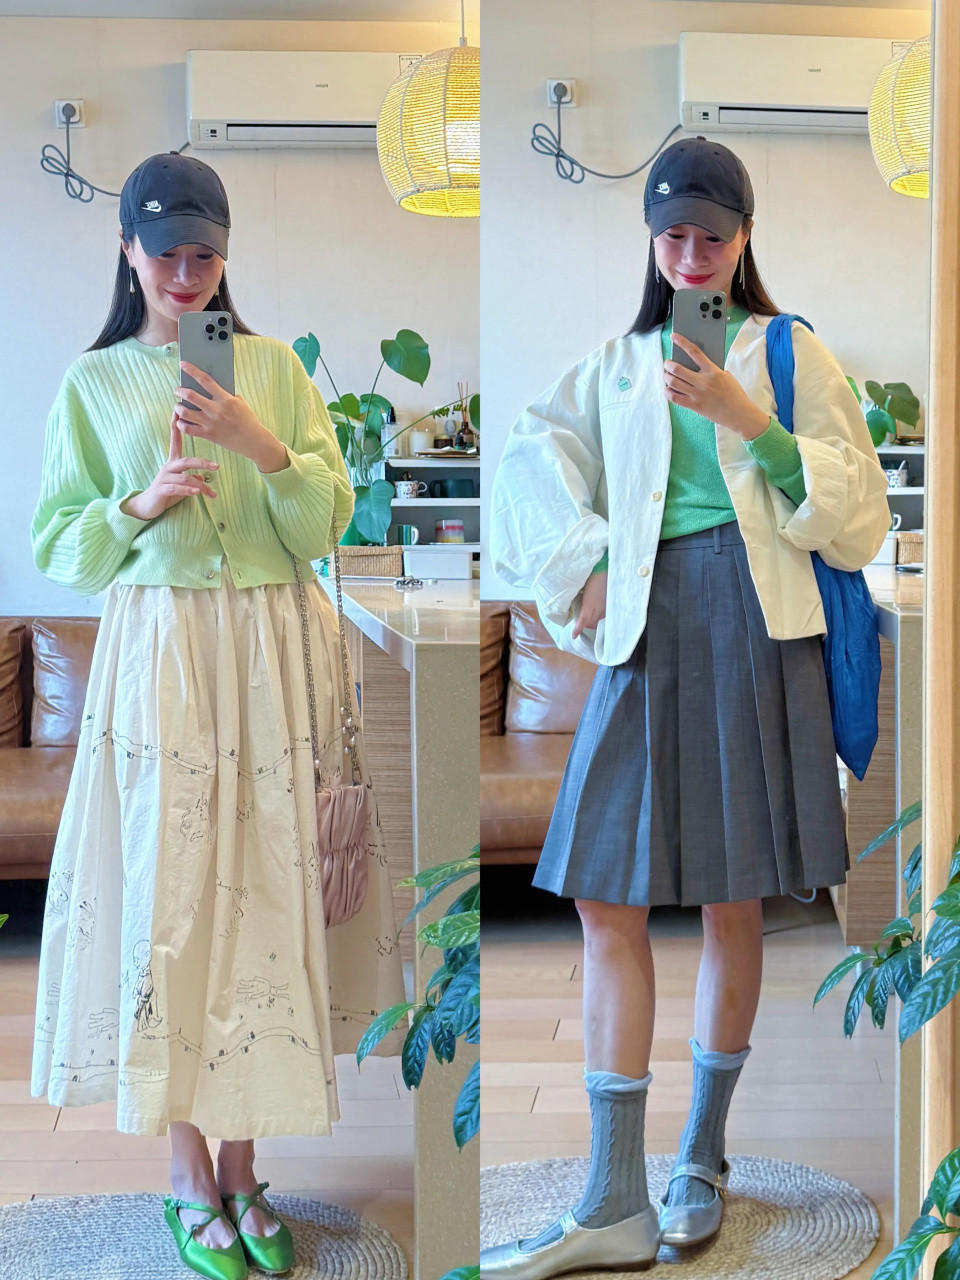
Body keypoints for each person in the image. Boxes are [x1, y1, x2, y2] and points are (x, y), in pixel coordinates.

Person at [483, 136, 889, 1277]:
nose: (694, 254)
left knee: (730, 901)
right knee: (603, 895)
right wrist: (584, 565)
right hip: (646, 625)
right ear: (653, 241)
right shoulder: (618, 364)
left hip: (756, 626)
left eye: (713, 234)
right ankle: (612, 1192)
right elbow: (528, 460)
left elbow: (859, 513)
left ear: (745, 235)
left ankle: (699, 1159)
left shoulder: (789, 349)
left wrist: (749, 418)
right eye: (674, 234)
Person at [31, 151, 404, 1280]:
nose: (186, 274)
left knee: (271, 898)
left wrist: (261, 444)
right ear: (128, 251)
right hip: (164, 658)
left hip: (278, 651)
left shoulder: (274, 369)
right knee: (172, 900)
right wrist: (140, 501)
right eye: (166, 253)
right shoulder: (94, 383)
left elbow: (323, 524)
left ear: (227, 254)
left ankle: (245, 1164)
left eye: (204, 254)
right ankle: (189, 1171)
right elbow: (58, 546)